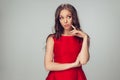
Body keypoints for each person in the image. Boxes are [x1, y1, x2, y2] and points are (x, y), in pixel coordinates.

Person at [44, 3, 90, 80]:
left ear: (74, 18)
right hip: (57, 77)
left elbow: (83, 61)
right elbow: (48, 65)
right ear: (58, 20)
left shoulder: (82, 38)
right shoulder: (52, 39)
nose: (65, 21)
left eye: (69, 17)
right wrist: (73, 65)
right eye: (61, 18)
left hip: (76, 77)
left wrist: (85, 37)